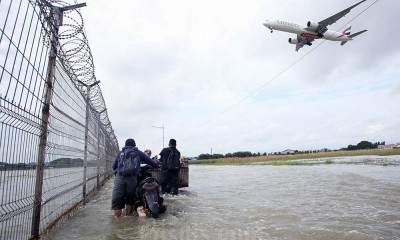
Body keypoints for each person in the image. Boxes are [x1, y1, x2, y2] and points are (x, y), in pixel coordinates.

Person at [111, 138, 159, 217]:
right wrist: (157, 166)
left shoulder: (121, 152)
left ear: (125, 145)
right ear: (134, 145)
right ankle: (128, 216)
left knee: (117, 201)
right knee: (130, 200)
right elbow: (150, 161)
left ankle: (117, 219)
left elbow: (113, 167)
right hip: (132, 178)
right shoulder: (138, 152)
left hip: (120, 178)